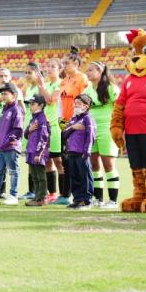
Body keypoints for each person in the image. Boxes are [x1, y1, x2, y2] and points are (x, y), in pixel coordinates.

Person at [84, 60, 121, 208]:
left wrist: (118, 128)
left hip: (107, 128)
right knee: (94, 165)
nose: (88, 72)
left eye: (91, 70)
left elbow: (119, 109)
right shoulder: (87, 90)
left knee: (108, 164)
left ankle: (112, 201)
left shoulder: (112, 88)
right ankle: (98, 199)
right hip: (91, 129)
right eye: (87, 70)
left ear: (100, 72)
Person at [59, 47, 89, 203]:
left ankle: (84, 196)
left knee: (78, 161)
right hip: (66, 125)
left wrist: (79, 121)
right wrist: (61, 122)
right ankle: (70, 195)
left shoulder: (82, 78)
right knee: (67, 160)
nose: (64, 65)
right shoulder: (64, 80)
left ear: (76, 63)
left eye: (67, 63)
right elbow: (60, 102)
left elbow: (85, 100)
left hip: (77, 124)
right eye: (63, 63)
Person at [33, 59, 65, 204]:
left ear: (60, 69)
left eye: (53, 67)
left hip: (57, 125)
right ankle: (52, 193)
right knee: (47, 161)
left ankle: (64, 194)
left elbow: (51, 100)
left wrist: (41, 86)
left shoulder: (61, 83)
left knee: (59, 160)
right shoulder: (49, 84)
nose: (49, 69)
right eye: (48, 66)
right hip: (46, 126)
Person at [63, 94, 96, 210]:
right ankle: (77, 199)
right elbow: (65, 134)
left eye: (78, 104)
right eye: (75, 103)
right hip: (71, 152)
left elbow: (91, 136)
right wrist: (73, 127)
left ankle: (86, 201)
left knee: (85, 177)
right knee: (74, 176)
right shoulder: (74, 119)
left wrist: (87, 151)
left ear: (86, 106)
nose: (75, 106)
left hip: (82, 153)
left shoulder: (87, 118)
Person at [23, 94, 50, 206]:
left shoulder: (42, 119)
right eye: (30, 104)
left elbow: (44, 138)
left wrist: (39, 153)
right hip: (31, 150)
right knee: (34, 176)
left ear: (41, 105)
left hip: (38, 152)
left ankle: (41, 199)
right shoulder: (33, 118)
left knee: (40, 176)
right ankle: (36, 196)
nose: (30, 106)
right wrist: (29, 129)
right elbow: (25, 135)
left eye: (33, 104)